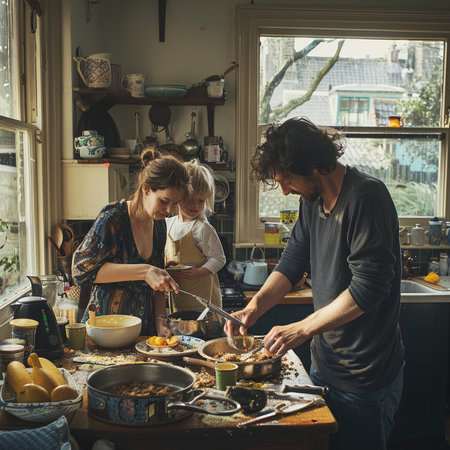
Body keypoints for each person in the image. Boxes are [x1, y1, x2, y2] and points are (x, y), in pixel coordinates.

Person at [224, 117, 404, 450]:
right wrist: (255, 306)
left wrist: (302, 329)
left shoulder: (366, 197)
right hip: (323, 367)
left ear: (312, 167)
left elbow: (369, 288)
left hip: (364, 377)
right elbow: (293, 263)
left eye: (286, 179)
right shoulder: (311, 203)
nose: (285, 189)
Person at [72, 148, 190, 337]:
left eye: (174, 204)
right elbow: (79, 272)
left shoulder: (159, 226)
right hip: (104, 333)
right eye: (164, 201)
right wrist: (144, 272)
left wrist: (161, 322)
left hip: (144, 334)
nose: (169, 210)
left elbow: (158, 279)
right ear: (146, 189)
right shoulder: (113, 219)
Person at [165, 159, 225, 314]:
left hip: (203, 303)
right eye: (190, 199)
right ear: (177, 197)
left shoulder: (202, 229)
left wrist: (200, 272)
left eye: (201, 201)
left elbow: (219, 259)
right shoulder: (167, 224)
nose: (196, 206)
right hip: (179, 299)